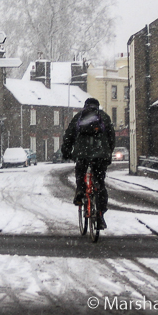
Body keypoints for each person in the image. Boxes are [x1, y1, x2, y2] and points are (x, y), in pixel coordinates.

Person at [61, 97, 115, 229]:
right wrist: (108, 153)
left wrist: (66, 152)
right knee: (100, 183)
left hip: (82, 153)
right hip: (100, 155)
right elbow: (112, 137)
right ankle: (100, 214)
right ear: (98, 106)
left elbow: (68, 136)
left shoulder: (78, 117)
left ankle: (80, 191)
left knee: (80, 172)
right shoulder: (104, 117)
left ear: (85, 106)